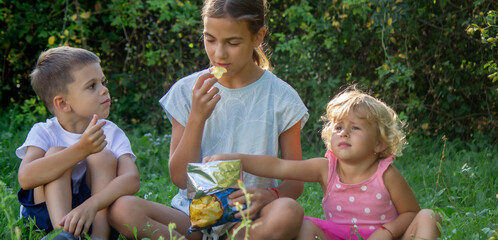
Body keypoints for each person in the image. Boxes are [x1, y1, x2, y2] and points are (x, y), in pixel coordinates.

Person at [107, 0, 309, 239]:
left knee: (289, 211)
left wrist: (270, 195)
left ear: (258, 37)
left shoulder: (282, 98)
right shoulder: (186, 91)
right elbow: (180, 178)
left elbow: (295, 184)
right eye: (210, 39)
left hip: (248, 217)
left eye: (232, 42)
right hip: (193, 216)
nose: (218, 53)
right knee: (122, 209)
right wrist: (197, 117)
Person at [203, 87, 442, 240]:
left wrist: (387, 232)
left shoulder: (386, 174)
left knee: (429, 216)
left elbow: (411, 212)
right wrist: (239, 159)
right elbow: (279, 166)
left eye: (355, 128)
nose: (344, 133)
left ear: (379, 144)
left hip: (384, 237)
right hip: (338, 235)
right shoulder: (324, 168)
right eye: (338, 127)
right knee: (305, 228)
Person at [16, 46, 140, 240]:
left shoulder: (110, 132)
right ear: (63, 104)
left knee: (103, 156)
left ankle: (100, 237)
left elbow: (131, 179)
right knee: (56, 152)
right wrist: (81, 149)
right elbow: (25, 178)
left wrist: (90, 205)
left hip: (94, 212)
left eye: (103, 82)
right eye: (92, 86)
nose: (104, 90)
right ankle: (64, 235)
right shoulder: (44, 132)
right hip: (46, 216)